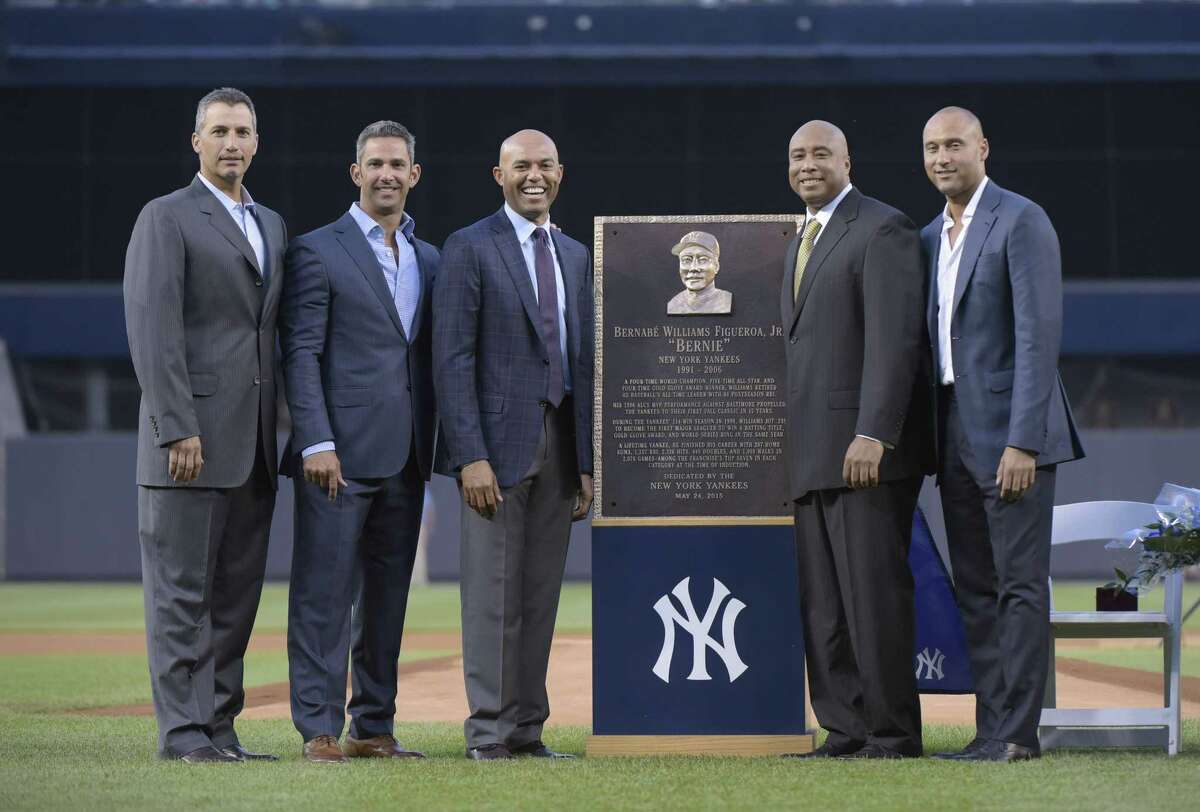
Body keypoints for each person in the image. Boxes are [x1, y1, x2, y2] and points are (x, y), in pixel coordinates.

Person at [123, 87, 286, 763]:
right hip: (187, 444)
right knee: (181, 600)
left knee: (234, 601)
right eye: (218, 130)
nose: (231, 143)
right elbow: (153, 327)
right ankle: (184, 735)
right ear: (197, 141)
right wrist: (174, 427)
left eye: (242, 131)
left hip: (252, 446)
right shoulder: (166, 217)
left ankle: (220, 729)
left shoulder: (271, 224)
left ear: (255, 143)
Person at [921, 106, 1084, 762]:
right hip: (954, 431)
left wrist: (1023, 441)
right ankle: (991, 729)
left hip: (1014, 434)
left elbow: (1039, 338)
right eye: (931, 148)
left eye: (954, 145)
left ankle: (1018, 733)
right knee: (977, 589)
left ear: (982, 148)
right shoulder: (931, 235)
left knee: (1019, 586)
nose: (941, 158)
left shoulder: (1021, 219)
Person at [278, 121, 439, 764]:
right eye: (375, 164)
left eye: (397, 164)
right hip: (336, 459)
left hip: (404, 458)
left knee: (385, 603)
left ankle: (372, 727)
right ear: (356, 173)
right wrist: (315, 439)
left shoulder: (430, 258)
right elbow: (302, 351)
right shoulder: (319, 250)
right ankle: (317, 727)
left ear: (414, 174)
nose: (387, 174)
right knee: (322, 595)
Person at [433, 129, 594, 761]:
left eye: (545, 166)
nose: (534, 175)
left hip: (560, 448)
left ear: (561, 174)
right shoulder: (470, 247)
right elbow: (452, 360)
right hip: (495, 453)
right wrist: (469, 455)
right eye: (520, 166)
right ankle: (490, 732)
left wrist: (586, 464)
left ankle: (527, 730)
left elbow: (582, 364)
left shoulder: (575, 255)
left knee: (538, 598)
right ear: (497, 176)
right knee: (492, 600)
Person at [779, 120, 932, 760]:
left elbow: (895, 342)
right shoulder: (800, 238)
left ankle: (892, 732)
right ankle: (846, 727)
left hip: (863, 453)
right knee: (825, 607)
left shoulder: (882, 227)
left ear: (848, 159)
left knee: (873, 600)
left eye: (821, 154)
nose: (808, 165)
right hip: (812, 453)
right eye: (797, 156)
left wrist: (875, 432)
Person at [666, 230, 733, 315]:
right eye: (686, 260)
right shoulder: (673, 305)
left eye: (702, 260)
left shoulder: (725, 301)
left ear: (716, 266)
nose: (693, 268)